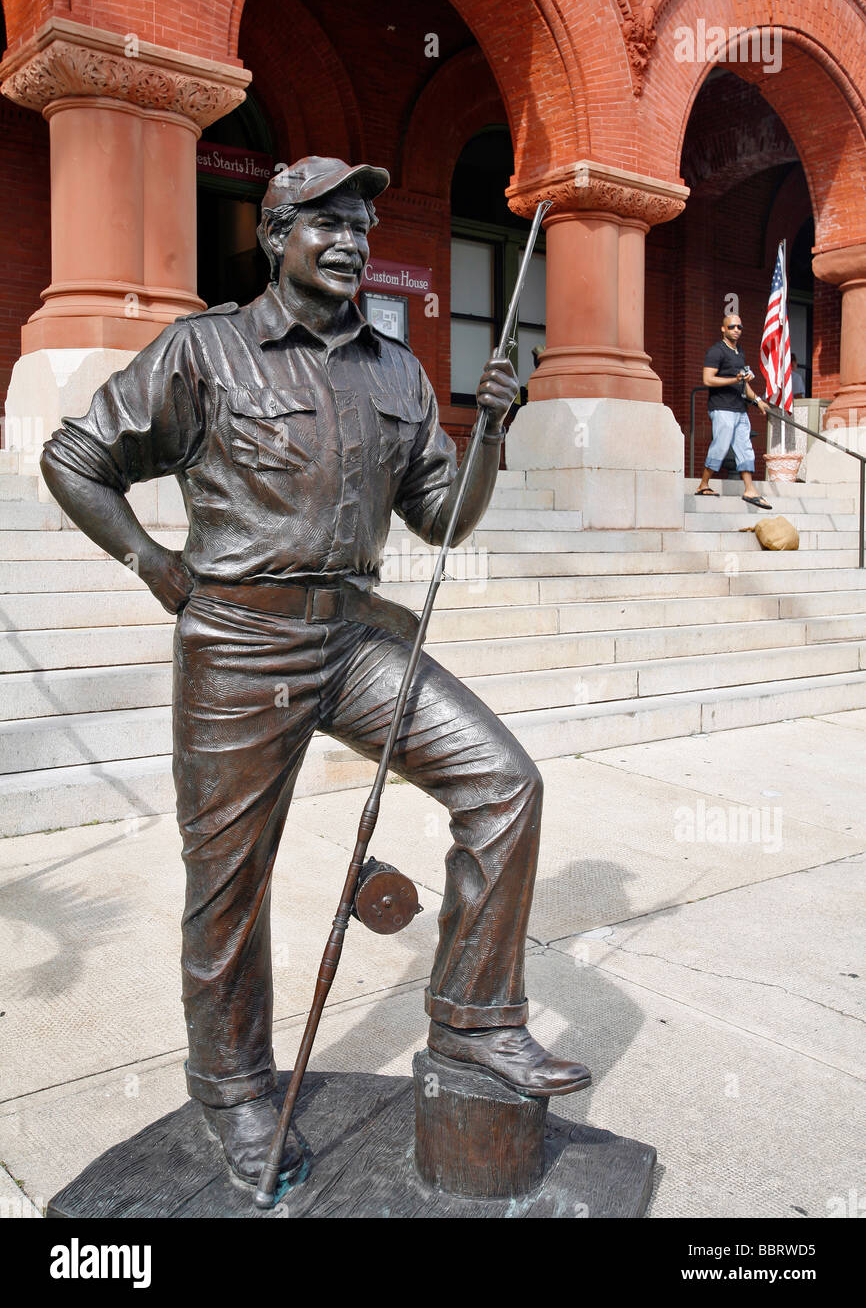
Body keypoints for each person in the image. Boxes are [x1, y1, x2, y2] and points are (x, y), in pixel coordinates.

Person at [40, 156, 590, 1189]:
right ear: (274, 233)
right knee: (229, 885)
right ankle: (234, 1089)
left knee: (504, 782)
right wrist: (153, 564)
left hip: (353, 638)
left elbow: (441, 519)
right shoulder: (205, 351)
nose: (350, 242)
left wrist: (491, 430)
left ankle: (475, 1020)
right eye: (325, 224)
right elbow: (74, 458)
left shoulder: (397, 369)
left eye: (363, 227)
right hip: (240, 648)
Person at [695, 312, 771, 508]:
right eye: (732, 327)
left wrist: (758, 401)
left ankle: (749, 489)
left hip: (739, 408)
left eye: (739, 327)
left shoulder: (740, 352)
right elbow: (707, 379)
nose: (736, 330)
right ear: (723, 329)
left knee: (745, 448)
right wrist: (735, 379)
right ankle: (703, 484)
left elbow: (744, 383)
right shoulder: (716, 351)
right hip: (721, 408)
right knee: (720, 446)